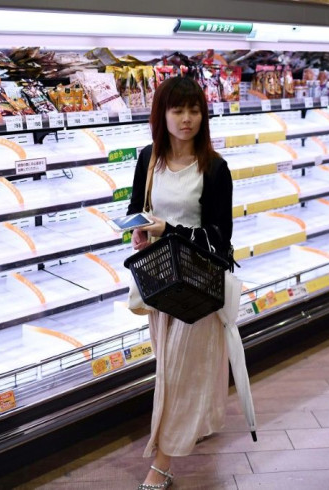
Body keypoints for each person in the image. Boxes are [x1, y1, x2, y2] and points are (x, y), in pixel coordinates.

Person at [127, 76, 233, 489]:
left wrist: (168, 228)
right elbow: (138, 208)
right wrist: (138, 231)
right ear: (163, 114)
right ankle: (195, 422)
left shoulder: (215, 168)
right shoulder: (147, 159)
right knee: (174, 369)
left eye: (194, 110)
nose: (187, 119)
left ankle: (162, 464)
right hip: (159, 280)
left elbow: (220, 237)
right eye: (178, 110)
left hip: (197, 280)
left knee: (174, 372)